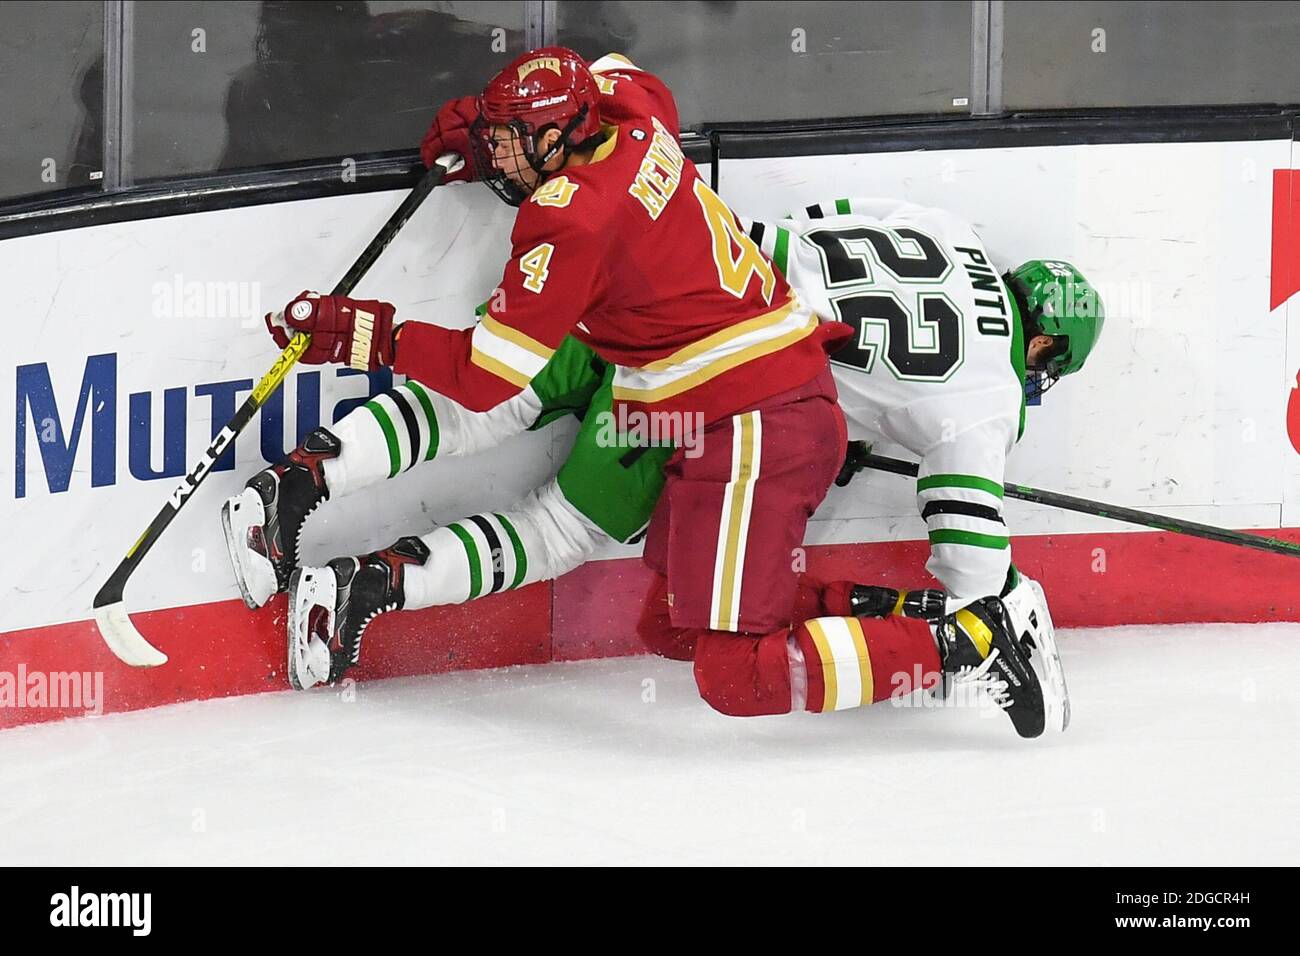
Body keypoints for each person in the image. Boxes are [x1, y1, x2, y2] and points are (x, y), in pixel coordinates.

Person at [225, 50, 1101, 738]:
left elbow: (817, 221)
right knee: (662, 614)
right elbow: (610, 76)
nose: (493, 152)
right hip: (703, 371)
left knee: (724, 662)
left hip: (741, 400)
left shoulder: (945, 233)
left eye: (505, 139)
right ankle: (351, 558)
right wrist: (492, 123)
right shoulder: (630, 119)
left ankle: (967, 643)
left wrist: (369, 334)